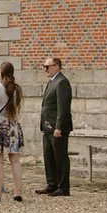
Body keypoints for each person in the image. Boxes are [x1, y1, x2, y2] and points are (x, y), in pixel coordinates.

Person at [0, 62, 25, 201]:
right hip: (13, 124)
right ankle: (18, 192)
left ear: (1, 72)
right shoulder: (16, 89)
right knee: (15, 160)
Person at [37, 56, 73, 196]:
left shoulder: (62, 82)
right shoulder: (52, 82)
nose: (45, 69)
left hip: (57, 127)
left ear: (56, 66)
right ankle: (52, 183)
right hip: (47, 126)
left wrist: (59, 127)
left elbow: (62, 107)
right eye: (44, 66)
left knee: (60, 156)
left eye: (47, 66)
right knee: (48, 155)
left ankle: (63, 186)